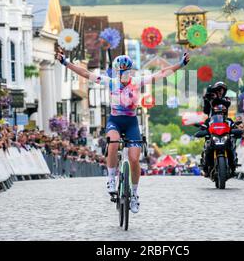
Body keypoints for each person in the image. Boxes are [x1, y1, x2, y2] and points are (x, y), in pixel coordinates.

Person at [57, 48, 190, 213]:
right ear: (116, 72)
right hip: (115, 121)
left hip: (131, 123)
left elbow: (161, 73)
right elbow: (85, 73)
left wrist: (181, 64)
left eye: (127, 71)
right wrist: (65, 62)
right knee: (112, 143)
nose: (125, 75)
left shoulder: (137, 81)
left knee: (134, 159)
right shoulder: (110, 82)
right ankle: (111, 179)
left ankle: (134, 194)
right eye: (121, 72)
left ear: (131, 71)